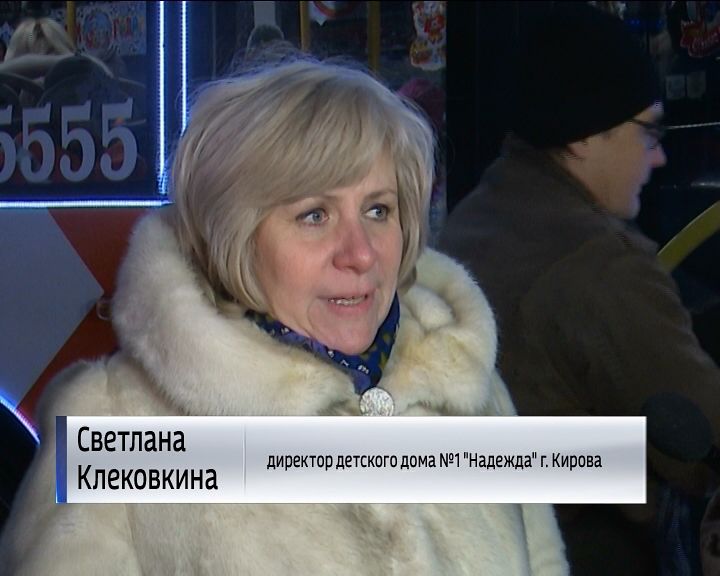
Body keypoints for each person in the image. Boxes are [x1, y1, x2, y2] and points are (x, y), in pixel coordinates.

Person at [0, 59, 568, 575]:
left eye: (378, 209)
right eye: (314, 215)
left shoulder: (466, 385)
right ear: (236, 236)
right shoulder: (116, 423)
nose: (361, 253)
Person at [438, 5, 720, 575]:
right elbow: (704, 437)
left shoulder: (477, 213)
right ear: (587, 136)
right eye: (649, 132)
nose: (660, 155)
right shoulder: (598, 266)